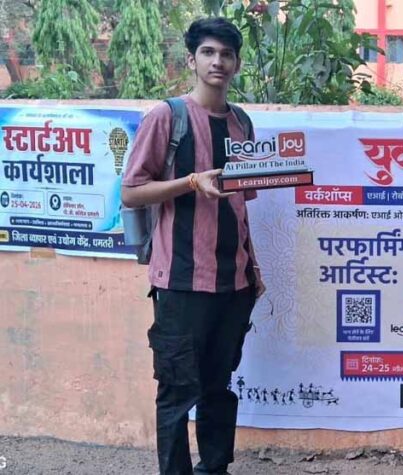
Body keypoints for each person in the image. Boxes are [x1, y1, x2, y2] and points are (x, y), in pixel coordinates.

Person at [121, 17, 265, 475]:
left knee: (219, 387)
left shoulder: (242, 122)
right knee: (177, 392)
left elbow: (240, 206)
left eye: (226, 54)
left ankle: (215, 468)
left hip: (233, 284)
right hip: (181, 282)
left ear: (236, 63)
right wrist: (189, 182)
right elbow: (131, 192)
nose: (217, 61)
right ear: (192, 60)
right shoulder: (167, 117)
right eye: (208, 52)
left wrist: (253, 268)